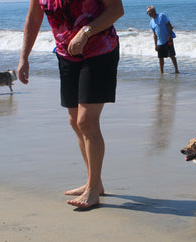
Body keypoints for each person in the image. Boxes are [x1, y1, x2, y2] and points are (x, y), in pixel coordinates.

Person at [17, 0, 124, 209]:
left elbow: (117, 9)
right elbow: (33, 19)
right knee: (75, 121)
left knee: (86, 121)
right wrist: (24, 57)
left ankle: (93, 191)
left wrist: (86, 32)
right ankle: (94, 182)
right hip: (66, 54)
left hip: (99, 50)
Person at [147, 6, 179, 74]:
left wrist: (170, 36)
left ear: (155, 10)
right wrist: (155, 44)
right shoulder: (151, 22)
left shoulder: (162, 16)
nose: (150, 13)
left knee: (172, 56)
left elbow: (169, 26)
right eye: (149, 12)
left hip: (167, 39)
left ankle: (176, 70)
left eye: (151, 11)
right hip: (159, 42)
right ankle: (161, 72)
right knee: (160, 58)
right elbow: (154, 34)